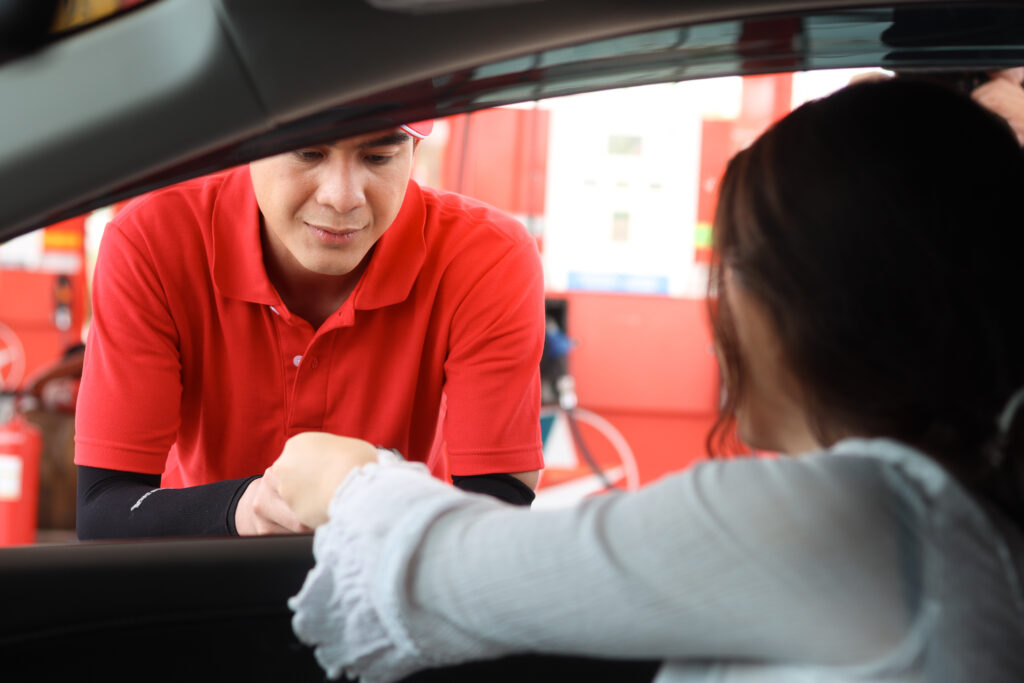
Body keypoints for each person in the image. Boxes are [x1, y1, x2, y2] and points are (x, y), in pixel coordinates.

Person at [270, 80, 1024, 682]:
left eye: (734, 271)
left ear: (816, 305)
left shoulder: (854, 518)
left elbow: (455, 571)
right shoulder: (951, 510)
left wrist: (346, 479)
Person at [74, 120, 545, 539]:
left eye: (379, 157)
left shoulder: (486, 257)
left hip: (398, 581)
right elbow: (103, 508)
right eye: (308, 152)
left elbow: (499, 504)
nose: (342, 197)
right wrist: (246, 509)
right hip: (203, 575)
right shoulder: (154, 242)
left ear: (413, 154)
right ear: (246, 142)